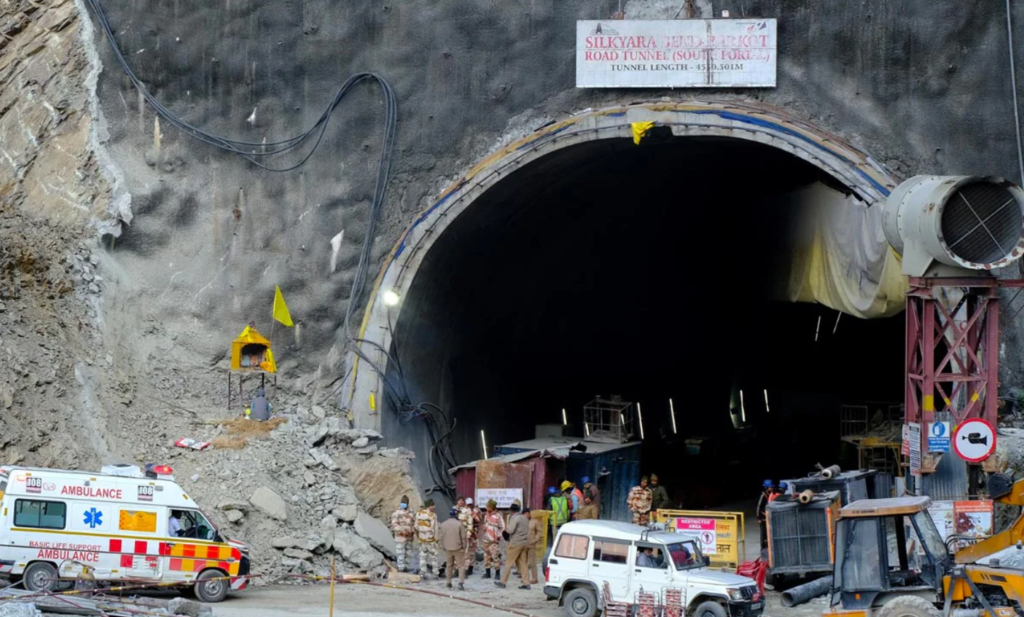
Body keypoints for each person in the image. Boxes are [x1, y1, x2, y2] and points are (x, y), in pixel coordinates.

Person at [496, 501, 531, 590]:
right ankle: (526, 583)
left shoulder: (515, 518)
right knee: (523, 564)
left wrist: (504, 532)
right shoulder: (524, 518)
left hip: (515, 543)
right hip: (524, 543)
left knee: (509, 562)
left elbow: (510, 530)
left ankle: (503, 582)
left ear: (511, 511)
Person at [439, 507, 468, 590]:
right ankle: (460, 583)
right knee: (461, 565)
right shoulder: (459, 524)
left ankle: (448, 582)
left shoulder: (443, 524)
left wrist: (442, 546)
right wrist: (464, 546)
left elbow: (441, 537)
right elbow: (463, 537)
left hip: (447, 548)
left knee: (449, 565)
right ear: (456, 514)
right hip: (458, 548)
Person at [389, 496, 416, 572]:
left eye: (405, 503)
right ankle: (401, 569)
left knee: (408, 554)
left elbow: (415, 523)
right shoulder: (396, 513)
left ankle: (407, 569)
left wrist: (412, 530)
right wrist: (402, 531)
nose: (404, 504)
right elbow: (394, 524)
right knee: (400, 554)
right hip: (400, 537)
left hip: (409, 537)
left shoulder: (412, 513)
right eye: (403, 503)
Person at [481, 499, 505, 579]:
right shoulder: (486, 515)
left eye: (488, 506)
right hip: (486, 539)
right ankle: (487, 573)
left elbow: (502, 527)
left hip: (494, 541)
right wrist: (484, 528)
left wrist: (498, 536)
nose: (486, 508)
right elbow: (485, 524)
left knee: (495, 557)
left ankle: (497, 573)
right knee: (486, 556)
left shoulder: (498, 516)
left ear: (492, 507)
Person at [415, 499, 439, 577]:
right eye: (433, 505)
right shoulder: (432, 515)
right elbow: (435, 528)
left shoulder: (418, 514)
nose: (434, 507)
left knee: (422, 556)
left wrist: (419, 536)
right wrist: (436, 539)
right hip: (430, 539)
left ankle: (422, 572)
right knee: (434, 556)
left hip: (422, 539)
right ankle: (435, 573)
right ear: (430, 506)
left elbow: (416, 527)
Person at [461, 497, 481, 575]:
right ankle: (466, 568)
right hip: (467, 534)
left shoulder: (476, 511)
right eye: (468, 504)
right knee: (466, 552)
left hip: (473, 534)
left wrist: (471, 515)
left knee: (471, 552)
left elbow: (478, 520)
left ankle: (470, 569)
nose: (469, 506)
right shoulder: (464, 511)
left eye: (470, 505)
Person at [524, 507, 541, 585]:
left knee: (532, 562)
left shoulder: (534, 522)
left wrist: (535, 539)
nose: (526, 515)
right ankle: (525, 578)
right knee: (524, 562)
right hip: (523, 544)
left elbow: (539, 532)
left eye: (527, 513)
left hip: (531, 544)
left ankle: (534, 578)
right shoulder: (522, 522)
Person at [757, 480, 774, 549]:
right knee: (763, 534)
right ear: (767, 487)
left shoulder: (769, 494)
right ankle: (763, 548)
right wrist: (759, 518)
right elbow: (759, 507)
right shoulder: (763, 495)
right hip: (763, 518)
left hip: (767, 517)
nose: (772, 488)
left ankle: (767, 547)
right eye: (771, 487)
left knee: (768, 534)